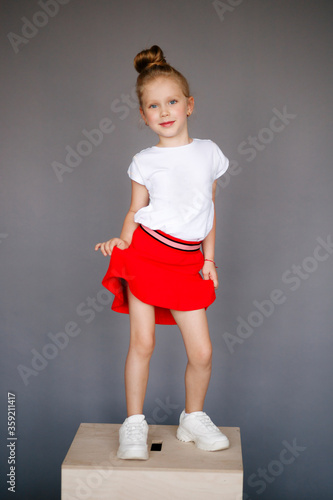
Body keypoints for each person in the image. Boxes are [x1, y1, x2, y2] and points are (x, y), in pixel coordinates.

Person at [95, 45, 230, 460]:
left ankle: (193, 417)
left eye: (172, 101)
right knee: (143, 342)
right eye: (153, 105)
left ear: (189, 105)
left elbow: (208, 209)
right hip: (147, 256)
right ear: (143, 115)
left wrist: (208, 259)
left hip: (188, 261)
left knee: (203, 352)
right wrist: (121, 240)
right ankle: (134, 424)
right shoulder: (144, 160)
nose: (164, 110)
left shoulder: (209, 152)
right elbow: (136, 212)